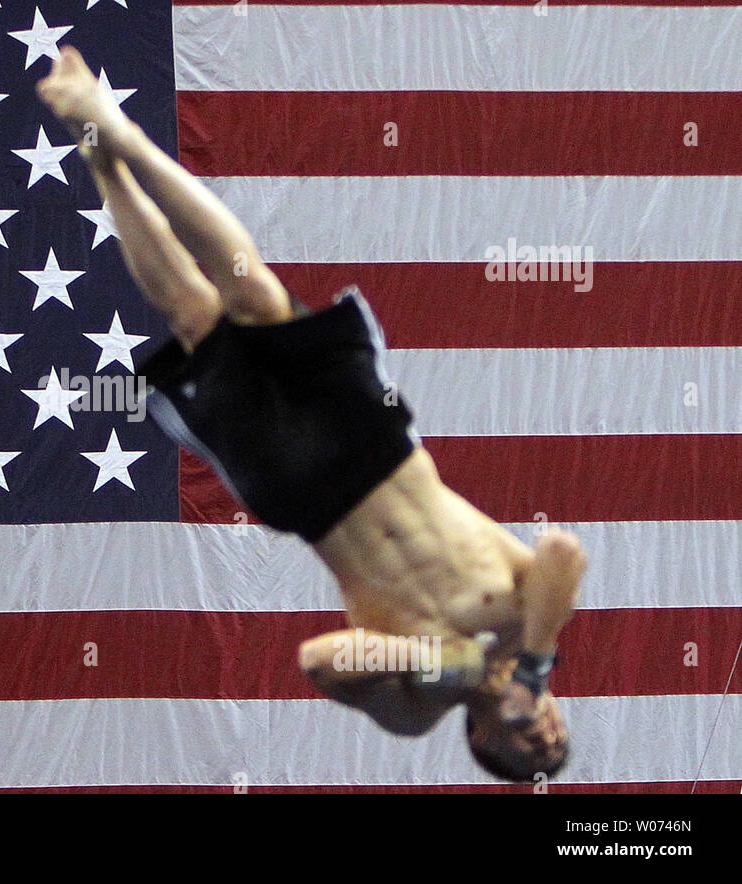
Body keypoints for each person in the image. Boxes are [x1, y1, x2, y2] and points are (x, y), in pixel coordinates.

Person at [37, 46, 587, 782]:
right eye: (558, 738)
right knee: (256, 297)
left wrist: (451, 661)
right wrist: (533, 667)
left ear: (485, 744)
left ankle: (101, 157)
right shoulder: (530, 626)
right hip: (379, 449)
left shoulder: (417, 710)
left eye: (535, 754)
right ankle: (119, 131)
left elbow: (319, 660)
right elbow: (562, 552)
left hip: (309, 498)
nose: (547, 738)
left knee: (197, 320)